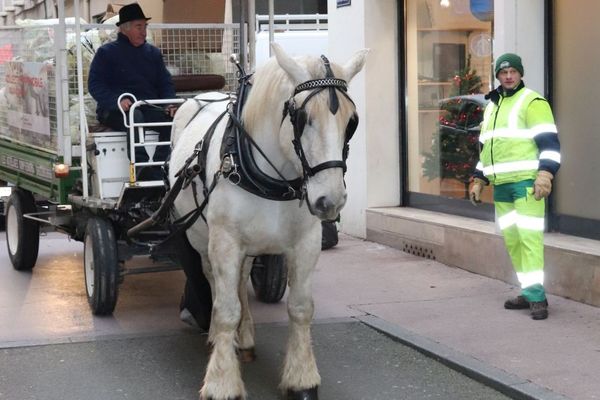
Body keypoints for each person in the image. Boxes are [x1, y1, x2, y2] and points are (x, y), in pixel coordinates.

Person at [469, 53, 561, 320]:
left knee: (530, 241)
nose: (508, 76)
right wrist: (479, 179)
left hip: (527, 185)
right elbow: (488, 149)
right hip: (502, 188)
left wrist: (545, 174)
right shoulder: (492, 107)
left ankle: (537, 298)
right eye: (503, 72)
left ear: (520, 74)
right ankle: (528, 291)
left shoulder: (531, 101)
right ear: (497, 75)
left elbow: (551, 145)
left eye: (513, 71)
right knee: (514, 242)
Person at [88, 2, 177, 180]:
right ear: (124, 28)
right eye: (139, 26)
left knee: (170, 118)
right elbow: (95, 84)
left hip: (146, 106)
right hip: (115, 110)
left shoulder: (153, 53)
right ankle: (141, 168)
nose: (143, 31)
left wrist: (169, 103)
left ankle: (161, 164)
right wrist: (116, 101)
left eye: (145, 26)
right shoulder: (106, 53)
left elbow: (165, 83)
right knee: (135, 117)